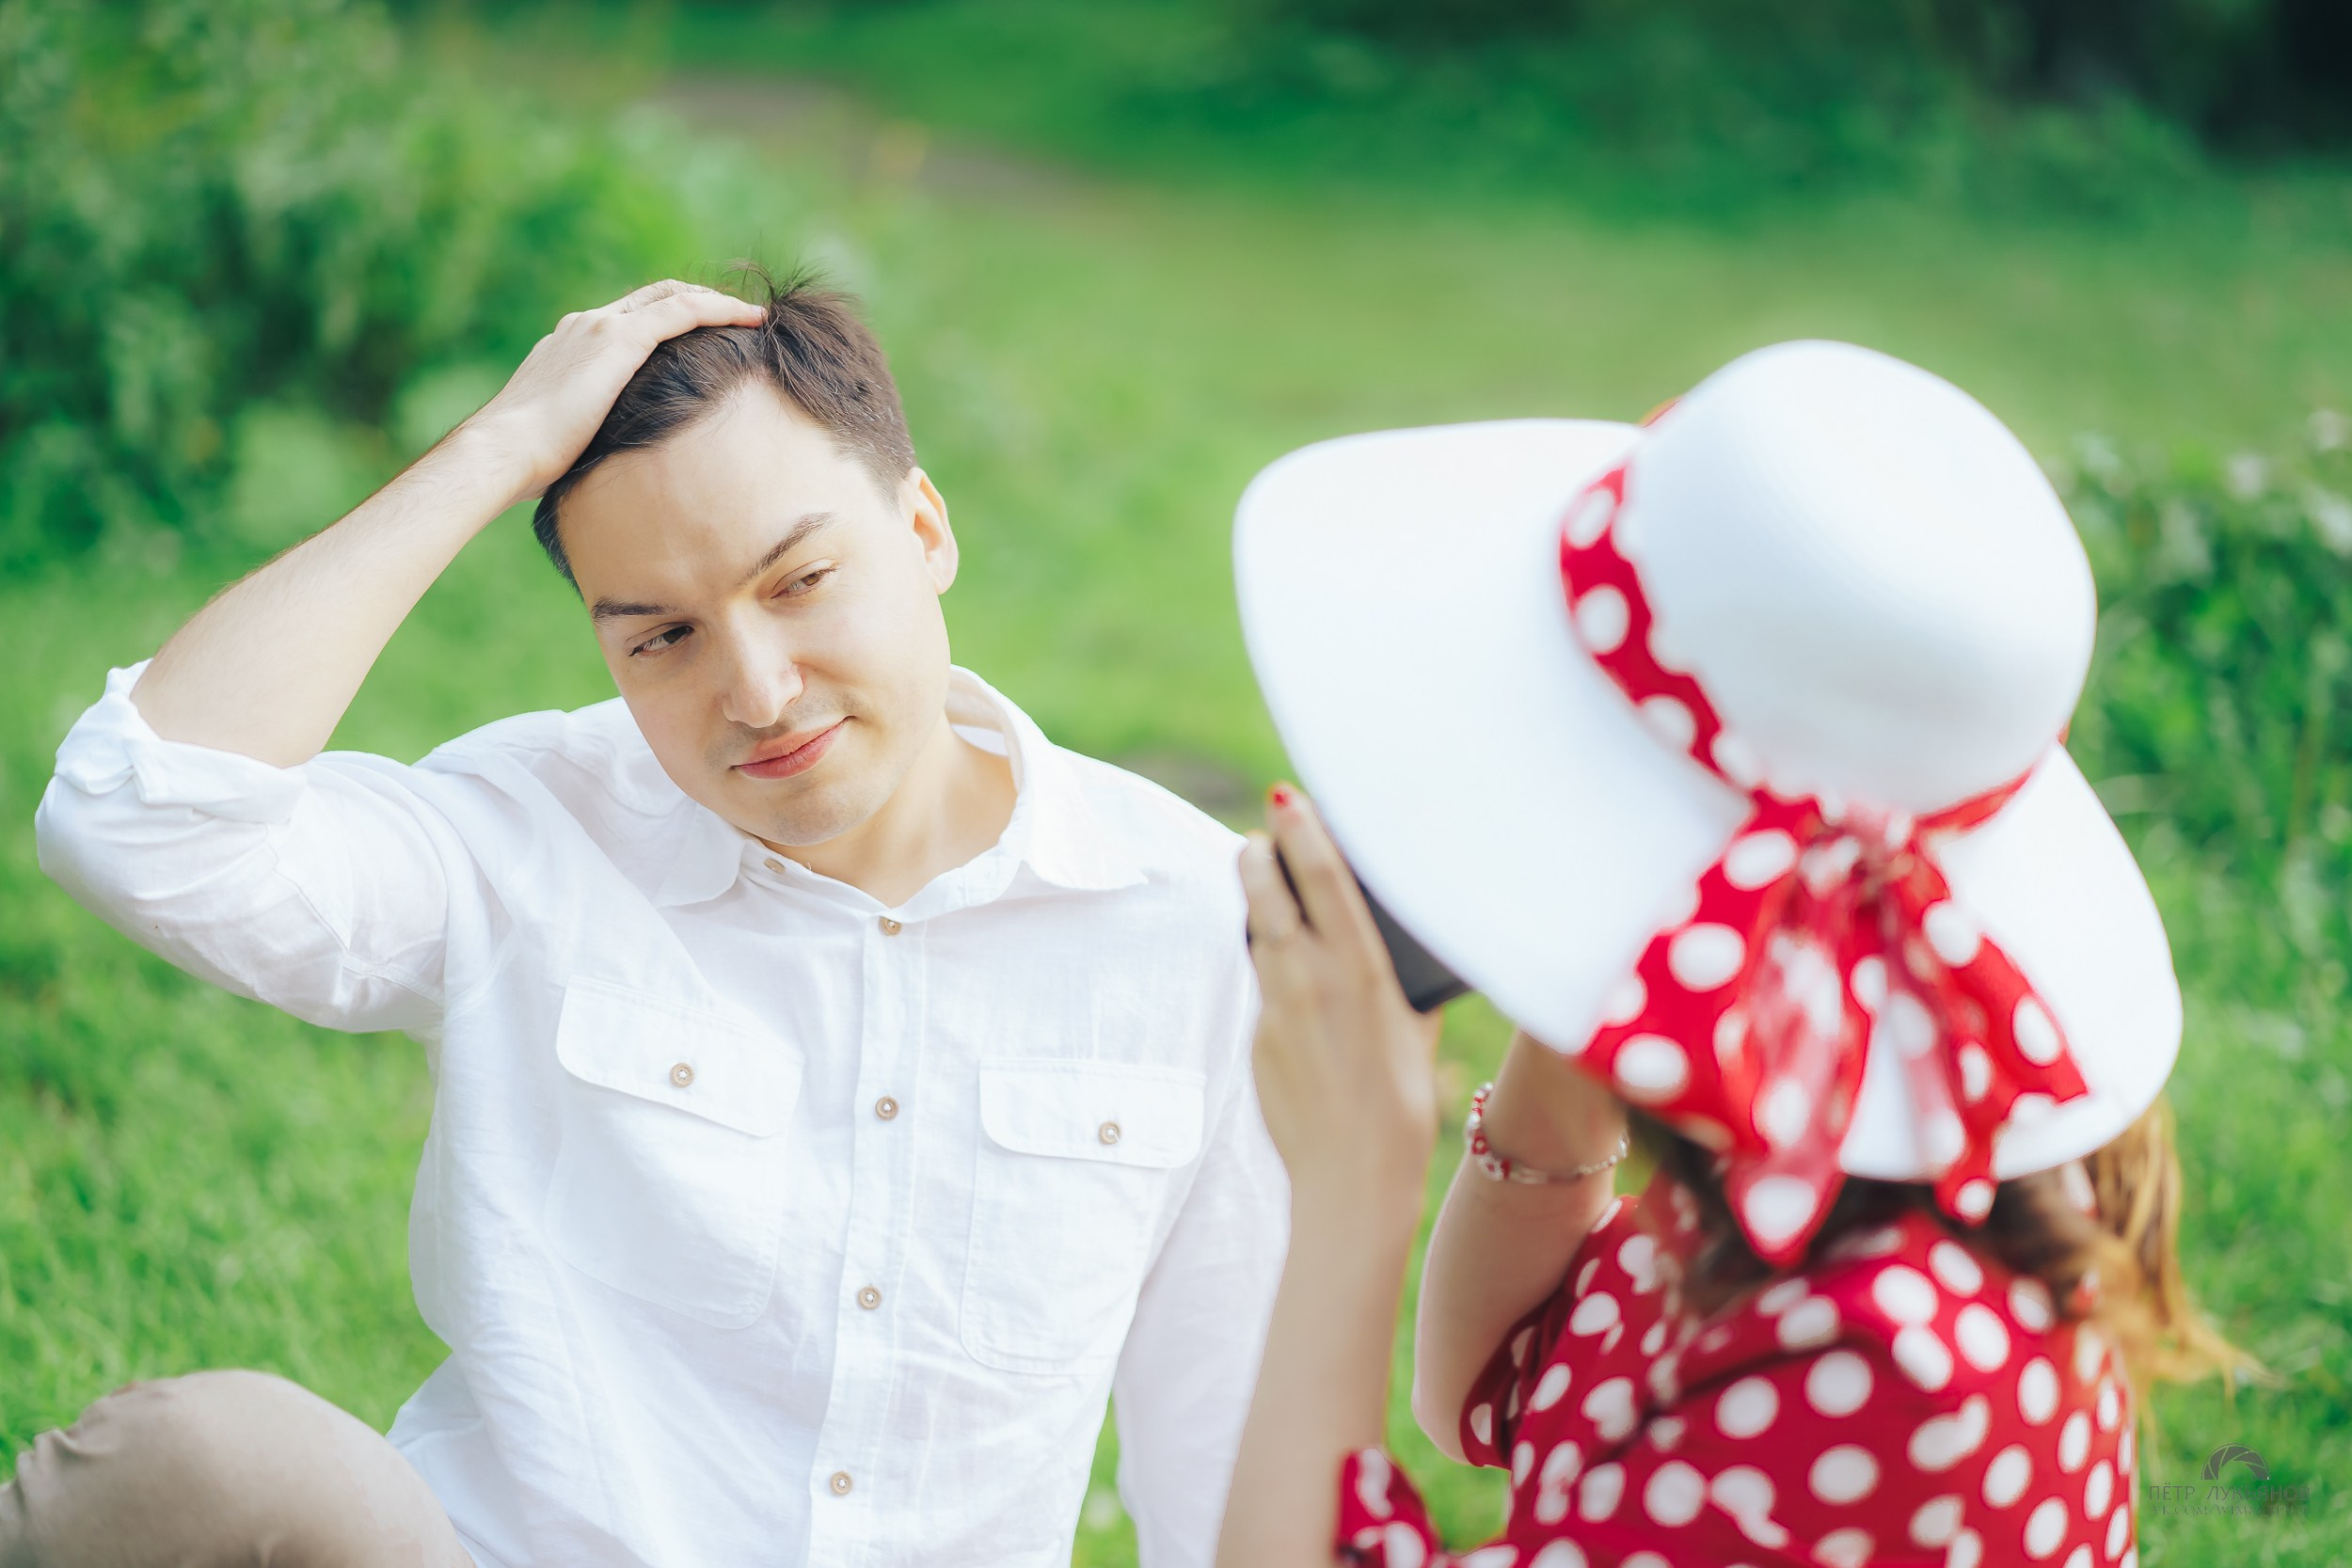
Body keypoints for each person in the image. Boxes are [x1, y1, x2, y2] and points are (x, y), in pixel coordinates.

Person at [14, 273, 1287, 1567]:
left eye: (799, 582)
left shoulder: (1196, 923)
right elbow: (137, 825)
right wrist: (496, 448)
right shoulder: (529, 835)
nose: (758, 690)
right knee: (219, 1463)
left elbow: (1234, 1464)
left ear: (924, 528)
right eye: (663, 637)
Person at [1215, 341, 2249, 1567]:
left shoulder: (1883, 1360)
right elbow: (1484, 1392)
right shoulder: (1833, 1173)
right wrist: (1583, 983)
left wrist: (1355, 1180)